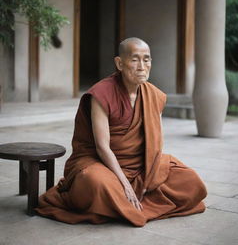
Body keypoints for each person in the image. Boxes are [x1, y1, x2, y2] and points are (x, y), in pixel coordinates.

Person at [36, 37, 207, 227]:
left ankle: (122, 204)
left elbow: (156, 143)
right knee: (94, 182)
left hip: (139, 164)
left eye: (146, 59)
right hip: (101, 164)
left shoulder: (154, 95)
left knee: (190, 181)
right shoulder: (101, 94)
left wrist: (148, 177)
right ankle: (127, 200)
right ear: (119, 63)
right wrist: (124, 182)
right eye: (135, 59)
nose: (142, 66)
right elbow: (102, 147)